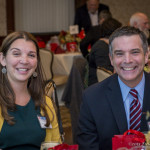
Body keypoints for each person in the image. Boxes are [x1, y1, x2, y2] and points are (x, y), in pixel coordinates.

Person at [77, 26, 150, 150]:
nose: (127, 60)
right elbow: (87, 147)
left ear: (147, 55)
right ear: (111, 59)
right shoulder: (92, 98)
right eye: (119, 53)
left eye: (135, 52)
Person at [0, 31, 61, 149]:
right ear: (3, 59)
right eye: (16, 54)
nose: (25, 60)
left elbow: (55, 145)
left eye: (31, 55)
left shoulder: (46, 103)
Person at [88, 18, 122, 86]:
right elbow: (105, 73)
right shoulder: (101, 48)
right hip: (99, 86)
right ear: (114, 33)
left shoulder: (106, 45)